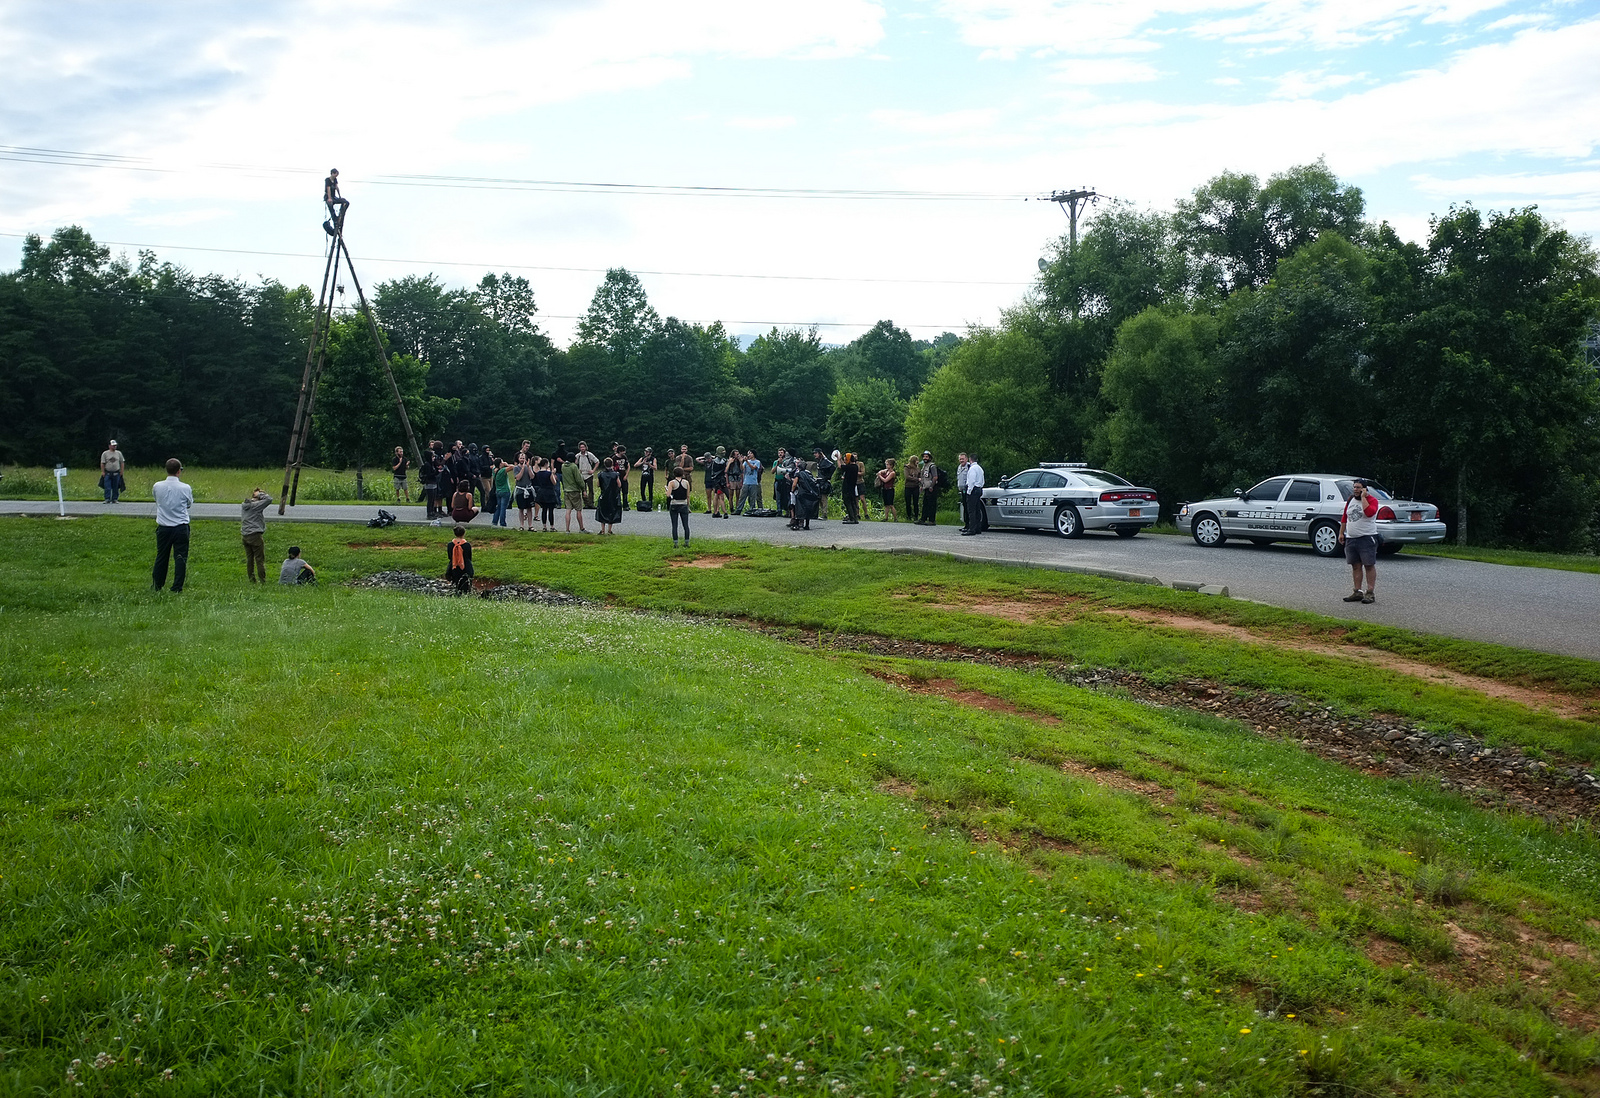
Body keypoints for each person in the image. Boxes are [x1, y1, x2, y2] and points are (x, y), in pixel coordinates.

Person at [151, 458, 193, 592]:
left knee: (162, 556)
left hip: (164, 526)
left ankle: (157, 585)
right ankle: (177, 587)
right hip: (180, 526)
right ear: (178, 471)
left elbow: (156, 499)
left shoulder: (157, 486)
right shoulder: (185, 487)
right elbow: (189, 504)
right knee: (180, 557)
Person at [1339, 478, 1382, 604]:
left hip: (1366, 537)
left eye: (1358, 487)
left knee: (1369, 565)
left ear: (1364, 489)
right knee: (1355, 565)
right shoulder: (1350, 499)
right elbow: (1345, 516)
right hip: (1351, 538)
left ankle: (1370, 592)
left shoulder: (1372, 500)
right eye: (1354, 487)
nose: (1355, 490)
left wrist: (1364, 498)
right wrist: (1342, 532)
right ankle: (1357, 591)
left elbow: (1369, 513)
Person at [241, 487, 272, 583]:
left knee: (250, 559)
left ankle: (252, 579)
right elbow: (269, 499)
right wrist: (259, 494)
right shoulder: (256, 505)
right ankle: (262, 580)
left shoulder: (245, 505)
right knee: (259, 560)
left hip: (245, 535)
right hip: (255, 535)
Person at [595, 457, 623, 534]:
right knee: (611, 512)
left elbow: (598, 484)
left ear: (604, 464)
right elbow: (619, 484)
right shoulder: (615, 474)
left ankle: (602, 530)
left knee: (602, 512)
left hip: (604, 495)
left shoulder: (600, 474)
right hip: (613, 496)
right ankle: (609, 530)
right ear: (612, 464)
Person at [561, 453, 588, 533]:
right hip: (574, 490)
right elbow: (578, 479)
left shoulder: (563, 466)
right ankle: (581, 528)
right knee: (578, 510)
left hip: (566, 490)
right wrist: (583, 489)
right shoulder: (573, 467)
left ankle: (567, 529)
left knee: (568, 510)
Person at [666, 468, 692, 547]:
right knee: (686, 525)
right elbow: (688, 495)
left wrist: (667, 490)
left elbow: (668, 495)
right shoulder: (686, 482)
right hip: (683, 504)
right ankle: (686, 542)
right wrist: (688, 506)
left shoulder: (672, 483)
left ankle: (676, 543)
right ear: (682, 473)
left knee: (674, 525)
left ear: (674, 474)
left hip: (674, 504)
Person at [961, 453, 986, 536]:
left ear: (970, 460)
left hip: (973, 490)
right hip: (979, 489)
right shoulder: (980, 468)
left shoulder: (972, 469)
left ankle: (972, 529)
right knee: (977, 509)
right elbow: (982, 481)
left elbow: (971, 481)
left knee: (971, 510)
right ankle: (978, 528)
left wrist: (969, 491)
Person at [444, 526, 473, 594]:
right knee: (466, 587)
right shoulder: (467, 545)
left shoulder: (450, 545)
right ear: (463, 534)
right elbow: (469, 556)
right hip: (466, 567)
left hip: (454, 567)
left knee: (456, 585)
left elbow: (449, 556)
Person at [791, 463, 820, 530]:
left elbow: (794, 484)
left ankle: (797, 525)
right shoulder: (808, 474)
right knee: (808, 508)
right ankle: (807, 525)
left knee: (799, 508)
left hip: (802, 493)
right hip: (810, 493)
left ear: (799, 468)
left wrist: (792, 491)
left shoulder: (798, 474)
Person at [534, 457, 560, 531]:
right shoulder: (549, 473)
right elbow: (554, 482)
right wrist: (553, 473)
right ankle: (552, 526)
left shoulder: (538, 473)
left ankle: (544, 526)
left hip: (542, 491)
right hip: (549, 492)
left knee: (544, 510)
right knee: (551, 510)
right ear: (546, 464)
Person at [514, 453, 536, 531]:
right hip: (520, 490)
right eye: (521, 458)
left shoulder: (529, 467)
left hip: (528, 489)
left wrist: (528, 467)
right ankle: (522, 525)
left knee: (529, 508)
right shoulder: (516, 468)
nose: (522, 460)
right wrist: (522, 468)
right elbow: (518, 478)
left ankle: (530, 525)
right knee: (521, 508)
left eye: (523, 458)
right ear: (518, 459)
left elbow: (532, 476)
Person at [736, 449, 763, 515]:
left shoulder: (757, 462)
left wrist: (747, 461)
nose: (749, 455)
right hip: (746, 482)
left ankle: (752, 509)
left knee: (752, 497)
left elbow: (753, 468)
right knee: (742, 497)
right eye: (748, 453)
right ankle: (738, 509)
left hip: (753, 482)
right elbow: (742, 468)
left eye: (750, 453)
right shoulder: (746, 462)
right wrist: (740, 462)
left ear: (753, 454)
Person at [99, 439, 126, 504]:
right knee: (107, 486)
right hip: (107, 473)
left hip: (116, 473)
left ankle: (115, 499)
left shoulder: (119, 453)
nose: (115, 446)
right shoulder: (105, 453)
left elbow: (122, 462)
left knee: (115, 487)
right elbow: (102, 463)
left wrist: (122, 471)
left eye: (115, 445)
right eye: (113, 445)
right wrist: (103, 472)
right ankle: (107, 498)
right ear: (109, 446)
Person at [917, 451, 940, 526]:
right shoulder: (924, 466)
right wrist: (921, 486)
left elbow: (935, 477)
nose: (925, 458)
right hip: (926, 487)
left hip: (932, 488)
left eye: (926, 457)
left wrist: (931, 486)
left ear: (930, 458)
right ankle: (923, 519)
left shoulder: (932, 466)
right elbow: (923, 477)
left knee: (931, 504)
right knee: (925, 504)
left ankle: (932, 520)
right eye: (924, 457)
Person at [575, 441, 599, 507]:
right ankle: (586, 503)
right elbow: (574, 464)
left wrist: (593, 470)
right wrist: (577, 471)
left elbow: (597, 462)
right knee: (583, 489)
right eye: (581, 447)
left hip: (589, 475)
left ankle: (591, 503)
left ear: (586, 447)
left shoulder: (589, 455)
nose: (582, 448)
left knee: (591, 489)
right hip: (581, 475)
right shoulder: (578, 456)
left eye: (583, 447)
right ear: (579, 448)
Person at [491, 458, 513, 528]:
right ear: (500, 463)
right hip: (505, 490)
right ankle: (502, 522)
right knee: (503, 508)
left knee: (499, 507)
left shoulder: (494, 470)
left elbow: (493, 466)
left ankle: (494, 521)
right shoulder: (502, 471)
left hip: (498, 491)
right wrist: (506, 464)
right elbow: (512, 467)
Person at [773, 447, 795, 516]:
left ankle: (787, 511)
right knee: (778, 497)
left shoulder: (789, 461)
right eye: (779, 453)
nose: (780, 454)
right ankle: (779, 510)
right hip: (778, 480)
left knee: (786, 496)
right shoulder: (776, 462)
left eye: (781, 453)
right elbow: (772, 471)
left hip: (786, 481)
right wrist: (777, 464)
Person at [876, 457, 898, 522]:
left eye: (887, 464)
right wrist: (880, 472)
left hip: (890, 489)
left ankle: (895, 518)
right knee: (886, 505)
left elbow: (886, 480)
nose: (886, 465)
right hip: (884, 489)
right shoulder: (886, 471)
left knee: (891, 504)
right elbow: (880, 471)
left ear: (891, 465)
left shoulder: (892, 473)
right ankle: (886, 517)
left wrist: (880, 476)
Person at [841, 452, 861, 524]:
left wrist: (838, 459)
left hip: (847, 487)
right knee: (853, 502)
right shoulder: (855, 466)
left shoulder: (849, 467)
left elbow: (841, 466)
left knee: (847, 502)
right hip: (852, 487)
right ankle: (855, 518)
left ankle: (851, 518)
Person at [902, 454, 922, 523]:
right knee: (908, 502)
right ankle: (908, 516)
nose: (918, 462)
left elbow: (920, 477)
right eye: (916, 460)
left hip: (916, 487)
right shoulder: (907, 467)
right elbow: (907, 477)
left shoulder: (918, 469)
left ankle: (916, 516)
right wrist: (917, 479)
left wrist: (920, 481)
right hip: (908, 486)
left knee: (916, 502)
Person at [420, 454, 440, 519]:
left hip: (434, 483)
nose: (434, 458)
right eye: (432, 457)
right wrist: (435, 473)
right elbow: (429, 475)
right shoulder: (427, 465)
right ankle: (429, 513)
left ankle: (432, 512)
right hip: (429, 483)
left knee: (433, 499)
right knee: (430, 499)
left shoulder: (432, 464)